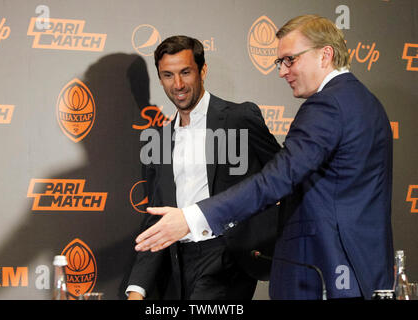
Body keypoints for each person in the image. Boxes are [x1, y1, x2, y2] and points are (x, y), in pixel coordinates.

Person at [135, 15, 394, 300]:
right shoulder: (365, 102)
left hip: (325, 267)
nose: (282, 71)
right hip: (359, 267)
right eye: (279, 62)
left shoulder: (327, 106)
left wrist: (194, 217)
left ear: (325, 54)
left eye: (290, 60)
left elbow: (276, 178)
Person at [126, 35, 281, 300]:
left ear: (203, 70)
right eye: (168, 75)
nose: (178, 85)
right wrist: (137, 289)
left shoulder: (238, 118)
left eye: (185, 72)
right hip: (176, 263)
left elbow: (285, 174)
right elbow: (157, 218)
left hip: (226, 258)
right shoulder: (159, 140)